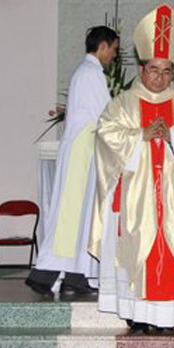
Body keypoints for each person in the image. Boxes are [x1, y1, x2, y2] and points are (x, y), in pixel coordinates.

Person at [89, 4, 174, 332]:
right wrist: (140, 136)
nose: (160, 77)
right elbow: (105, 137)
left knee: (172, 251)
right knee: (137, 251)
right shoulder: (121, 105)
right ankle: (138, 315)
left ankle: (168, 317)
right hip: (136, 198)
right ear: (142, 70)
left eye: (167, 71)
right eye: (154, 70)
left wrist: (173, 136)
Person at [26, 25, 118, 296]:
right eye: (113, 49)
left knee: (81, 216)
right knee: (72, 214)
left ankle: (75, 277)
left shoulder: (84, 71)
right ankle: (44, 275)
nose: (114, 56)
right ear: (102, 46)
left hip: (83, 147)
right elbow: (106, 115)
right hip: (82, 150)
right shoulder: (92, 73)